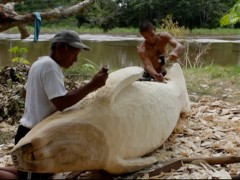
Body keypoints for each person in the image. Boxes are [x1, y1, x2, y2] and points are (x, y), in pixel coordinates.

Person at [0, 30, 108, 180]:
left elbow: (25, 93)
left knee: (30, 173)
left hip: (30, 132)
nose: (75, 59)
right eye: (73, 54)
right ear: (61, 47)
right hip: (33, 137)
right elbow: (61, 102)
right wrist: (92, 85)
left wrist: (38, 107)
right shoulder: (50, 67)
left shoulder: (40, 63)